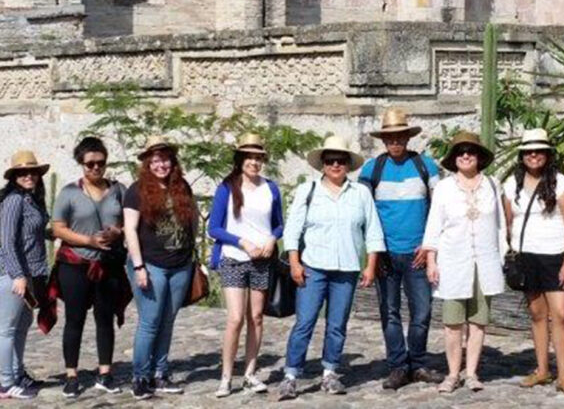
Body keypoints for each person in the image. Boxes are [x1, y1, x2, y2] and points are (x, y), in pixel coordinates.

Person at [278, 135, 386, 401]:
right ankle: (291, 375)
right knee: (305, 322)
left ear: (348, 164)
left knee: (337, 324)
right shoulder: (309, 190)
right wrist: (294, 262)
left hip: (346, 268)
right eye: (330, 161)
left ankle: (330, 372)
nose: (336, 165)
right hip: (313, 267)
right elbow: (293, 230)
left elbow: (372, 230)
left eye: (341, 160)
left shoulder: (360, 193)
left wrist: (370, 265)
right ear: (322, 165)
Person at [358, 108, 441, 389]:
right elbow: (364, 214)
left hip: (418, 253)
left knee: (422, 312)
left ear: (408, 137)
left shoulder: (425, 166)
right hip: (386, 255)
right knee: (389, 312)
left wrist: (430, 246)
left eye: (400, 137)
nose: (395, 142)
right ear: (384, 140)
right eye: (390, 138)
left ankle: (417, 363)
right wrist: (374, 251)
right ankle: (397, 366)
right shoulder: (372, 169)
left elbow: (439, 209)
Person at [423, 131, 506, 393]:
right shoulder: (445, 188)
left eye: (470, 151)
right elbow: (434, 225)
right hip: (453, 261)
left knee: (478, 321)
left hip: (485, 261)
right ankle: (452, 373)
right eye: (460, 152)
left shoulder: (492, 184)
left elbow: (501, 225)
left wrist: (500, 255)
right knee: (452, 322)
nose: (466, 155)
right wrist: (431, 260)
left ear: (479, 156)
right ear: (453, 158)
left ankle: (471, 373)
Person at [49, 137, 130, 398]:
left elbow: (132, 222)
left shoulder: (119, 190)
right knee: (75, 319)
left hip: (109, 265)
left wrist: (118, 231)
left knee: (104, 319)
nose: (96, 168)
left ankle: (104, 372)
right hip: (76, 265)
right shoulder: (69, 193)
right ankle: (71, 374)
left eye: (101, 163)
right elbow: (58, 228)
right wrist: (88, 240)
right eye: (90, 164)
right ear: (81, 164)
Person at [502, 129, 564, 395]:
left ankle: (563, 374)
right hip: (526, 256)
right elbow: (507, 222)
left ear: (547, 154)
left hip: (554, 255)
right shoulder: (512, 185)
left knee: (560, 314)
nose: (533, 155)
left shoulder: (562, 184)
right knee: (537, 314)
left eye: (539, 150)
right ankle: (542, 369)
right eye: (528, 151)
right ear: (522, 156)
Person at [208, 133, 285, 397]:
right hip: (234, 257)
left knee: (256, 317)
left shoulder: (270, 188)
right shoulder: (227, 187)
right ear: (240, 159)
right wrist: (241, 242)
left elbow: (278, 223)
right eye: (249, 157)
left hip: (262, 260)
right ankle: (227, 375)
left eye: (258, 157)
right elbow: (214, 228)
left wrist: (273, 239)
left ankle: (250, 372)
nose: (254, 162)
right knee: (235, 318)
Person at [123, 136, 199, 399]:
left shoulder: (182, 187)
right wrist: (138, 266)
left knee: (167, 321)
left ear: (172, 161)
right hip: (151, 265)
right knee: (150, 322)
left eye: (165, 159)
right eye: (155, 160)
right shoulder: (136, 190)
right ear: (147, 163)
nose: (161, 165)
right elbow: (130, 230)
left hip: (180, 265)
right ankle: (140, 376)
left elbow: (193, 221)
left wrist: (192, 253)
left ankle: (160, 372)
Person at [0, 150, 51, 400]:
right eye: (22, 172)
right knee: (6, 329)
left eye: (33, 171)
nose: (29, 176)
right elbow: (7, 242)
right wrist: (17, 275)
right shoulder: (13, 200)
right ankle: (5, 383)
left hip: (29, 273)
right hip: (12, 274)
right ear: (14, 176)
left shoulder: (30, 199)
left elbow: (29, 234)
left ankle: (17, 373)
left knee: (21, 327)